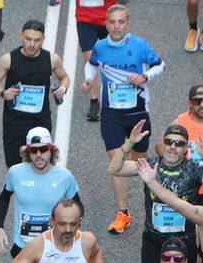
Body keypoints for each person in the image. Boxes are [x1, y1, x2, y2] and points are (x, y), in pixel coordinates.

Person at [81, 7, 164, 235]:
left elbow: (160, 65)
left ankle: (157, 199)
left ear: (128, 24)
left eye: (121, 22)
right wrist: (88, 81)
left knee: (141, 163)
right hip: (111, 114)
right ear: (106, 24)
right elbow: (92, 63)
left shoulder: (139, 45)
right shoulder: (100, 47)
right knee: (116, 162)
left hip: (137, 111)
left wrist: (145, 76)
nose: (116, 26)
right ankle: (123, 213)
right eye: (112, 22)